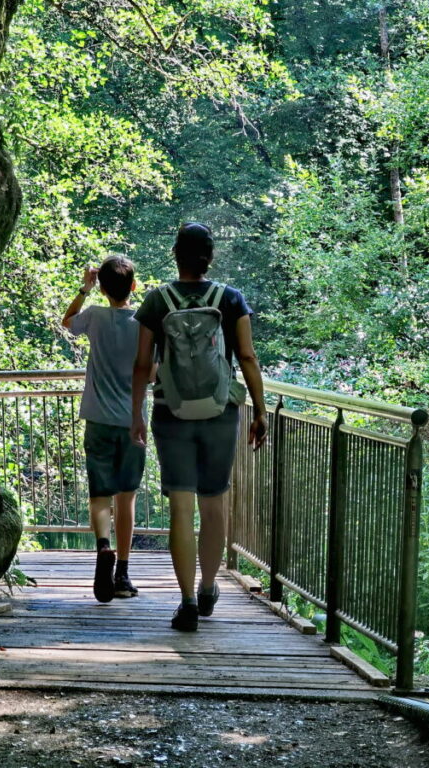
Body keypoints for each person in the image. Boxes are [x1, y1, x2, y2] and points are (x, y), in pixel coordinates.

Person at [131, 222, 268, 632]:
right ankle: (209, 588)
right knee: (213, 503)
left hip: (171, 413)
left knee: (181, 508)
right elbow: (246, 356)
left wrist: (134, 412)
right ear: (211, 256)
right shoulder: (230, 298)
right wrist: (259, 410)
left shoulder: (157, 300)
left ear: (176, 254)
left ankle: (187, 600)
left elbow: (142, 363)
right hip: (220, 412)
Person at [62, 256, 146, 603]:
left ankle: (102, 547)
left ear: (103, 287)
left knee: (100, 495)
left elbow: (67, 322)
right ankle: (122, 574)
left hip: (97, 418)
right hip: (133, 421)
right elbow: (152, 370)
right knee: (126, 497)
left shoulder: (94, 315)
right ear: (134, 287)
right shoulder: (144, 323)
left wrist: (85, 288)